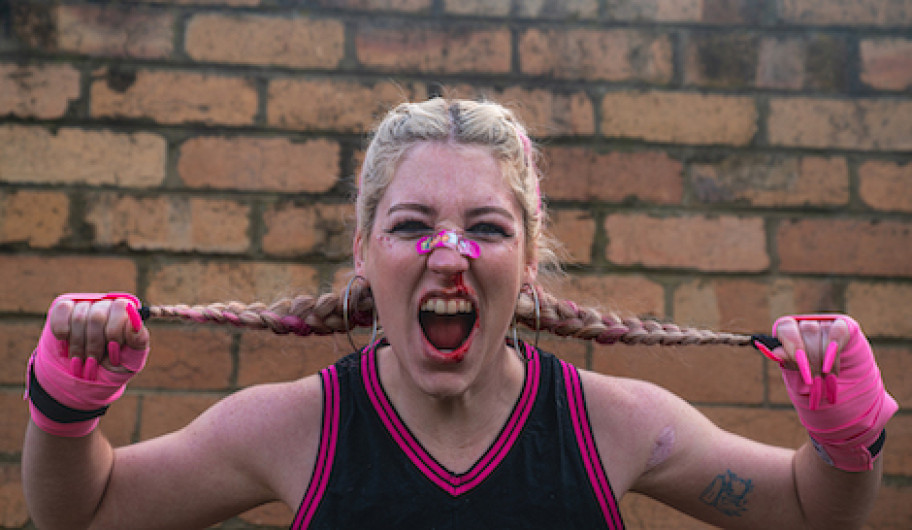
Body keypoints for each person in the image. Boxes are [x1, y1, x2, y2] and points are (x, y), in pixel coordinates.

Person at [22, 98, 897, 529]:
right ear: (364, 250)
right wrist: (65, 408)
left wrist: (846, 437)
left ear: (528, 257)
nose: (450, 255)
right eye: (412, 226)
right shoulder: (294, 428)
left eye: (487, 227)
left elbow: (812, 512)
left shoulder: (615, 424)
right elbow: (84, 512)